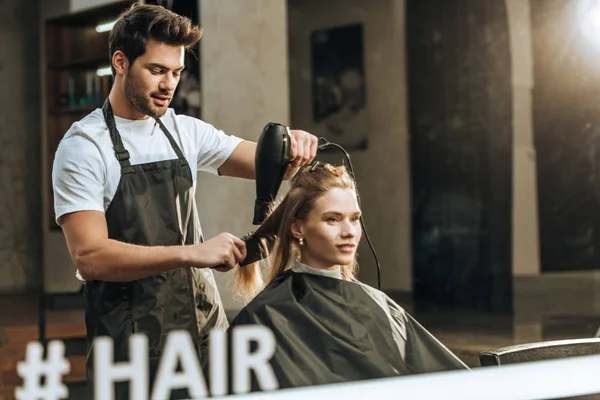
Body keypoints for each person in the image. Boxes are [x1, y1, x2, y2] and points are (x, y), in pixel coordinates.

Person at [51, 4, 318, 399]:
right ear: (120, 62)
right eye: (157, 70)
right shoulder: (85, 147)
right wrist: (193, 253)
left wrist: (292, 146)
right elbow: (90, 256)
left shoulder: (183, 131)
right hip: (132, 343)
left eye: (176, 73)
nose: (169, 85)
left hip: (204, 331)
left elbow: (267, 161)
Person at [224, 163, 468, 392]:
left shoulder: (380, 306)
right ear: (298, 228)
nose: (349, 232)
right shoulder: (265, 315)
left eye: (355, 219)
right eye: (333, 219)